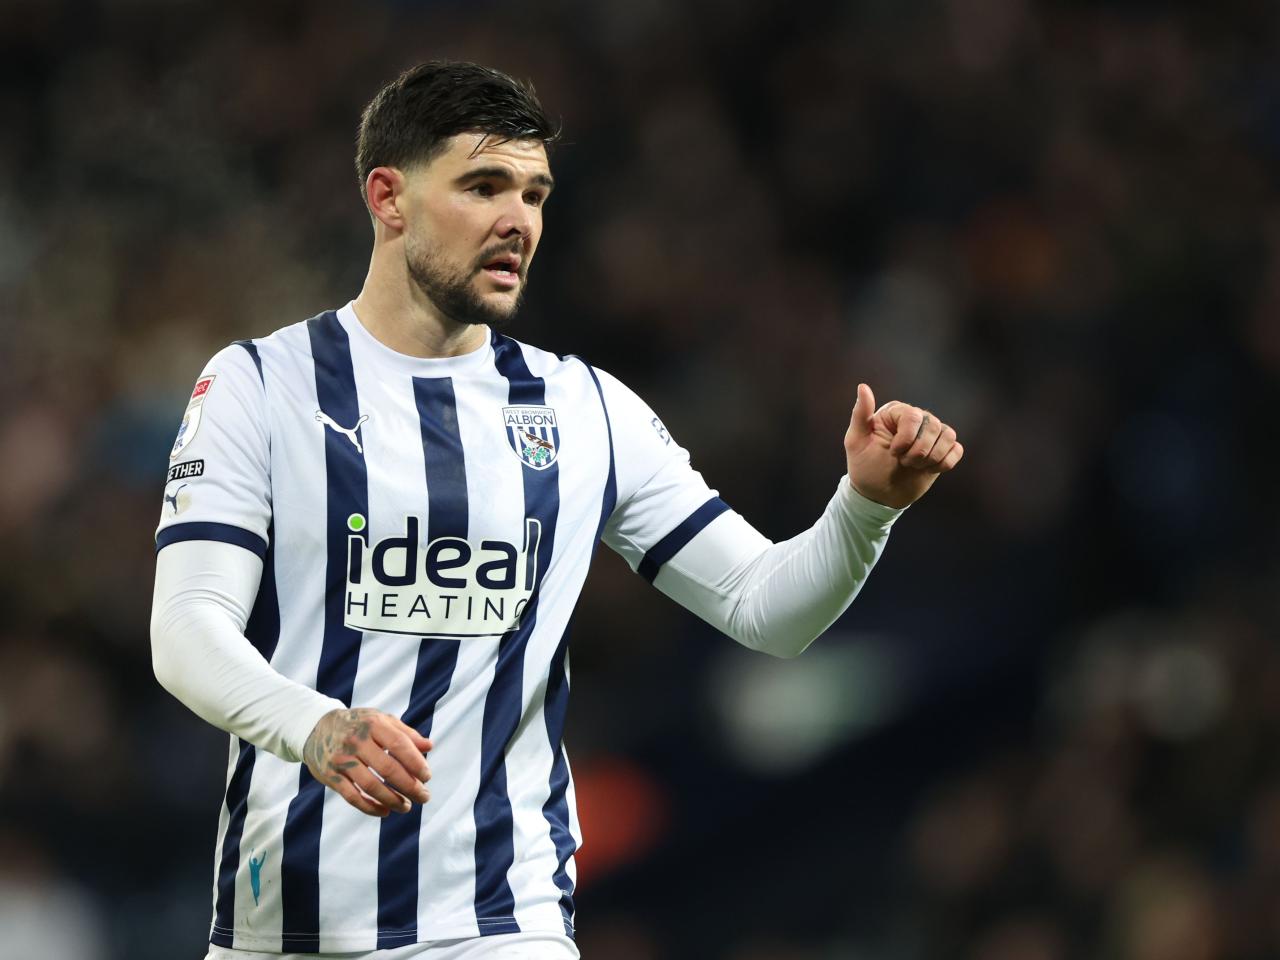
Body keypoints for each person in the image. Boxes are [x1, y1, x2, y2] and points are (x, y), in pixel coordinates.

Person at [150, 60, 964, 960]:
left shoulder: (584, 410)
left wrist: (864, 509)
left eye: (534, 194)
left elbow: (764, 608)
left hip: (502, 924)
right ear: (388, 197)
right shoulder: (258, 387)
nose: (518, 221)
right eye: (483, 186)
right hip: (283, 924)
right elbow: (187, 626)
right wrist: (318, 726)